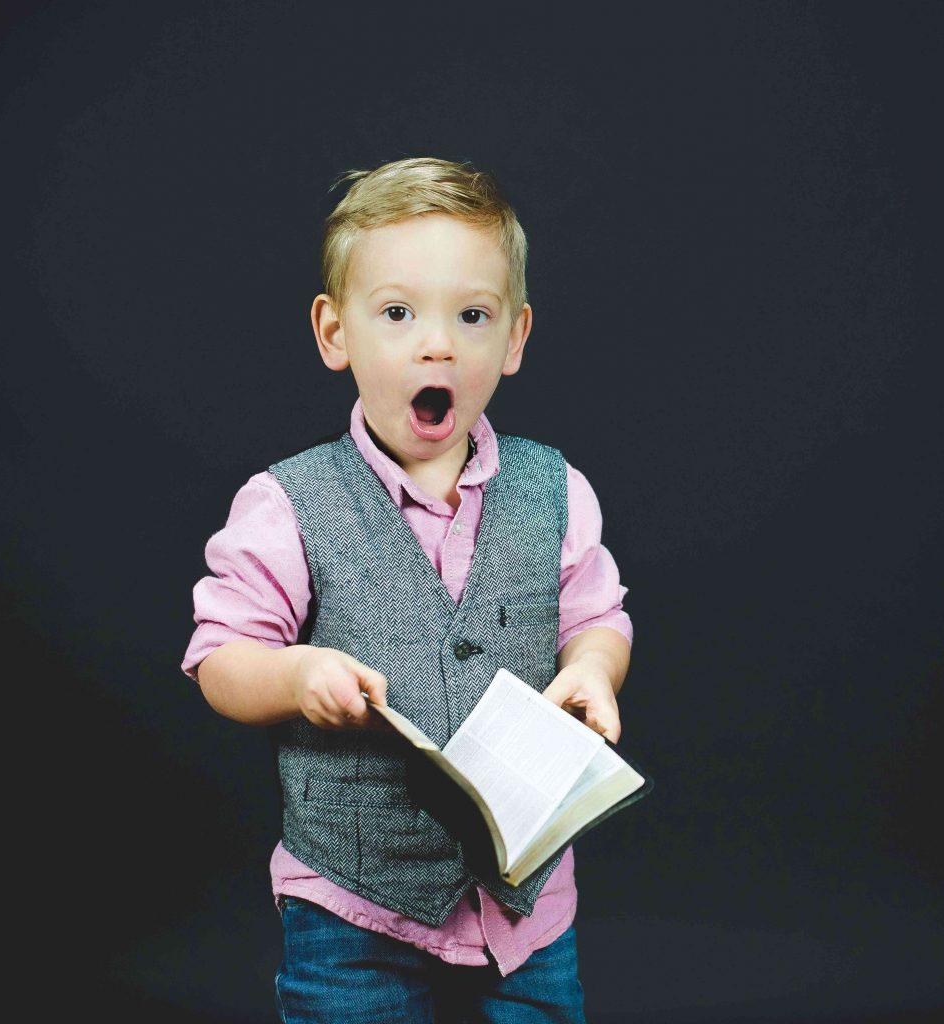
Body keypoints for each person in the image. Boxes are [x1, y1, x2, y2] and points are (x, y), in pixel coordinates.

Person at [181, 156, 633, 1023]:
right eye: (398, 313)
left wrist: (594, 669)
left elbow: (597, 616)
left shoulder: (556, 489)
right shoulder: (288, 504)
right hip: (353, 909)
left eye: (472, 315)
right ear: (334, 333)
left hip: (526, 913)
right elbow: (218, 658)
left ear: (515, 338)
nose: (439, 343)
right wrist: (293, 674)